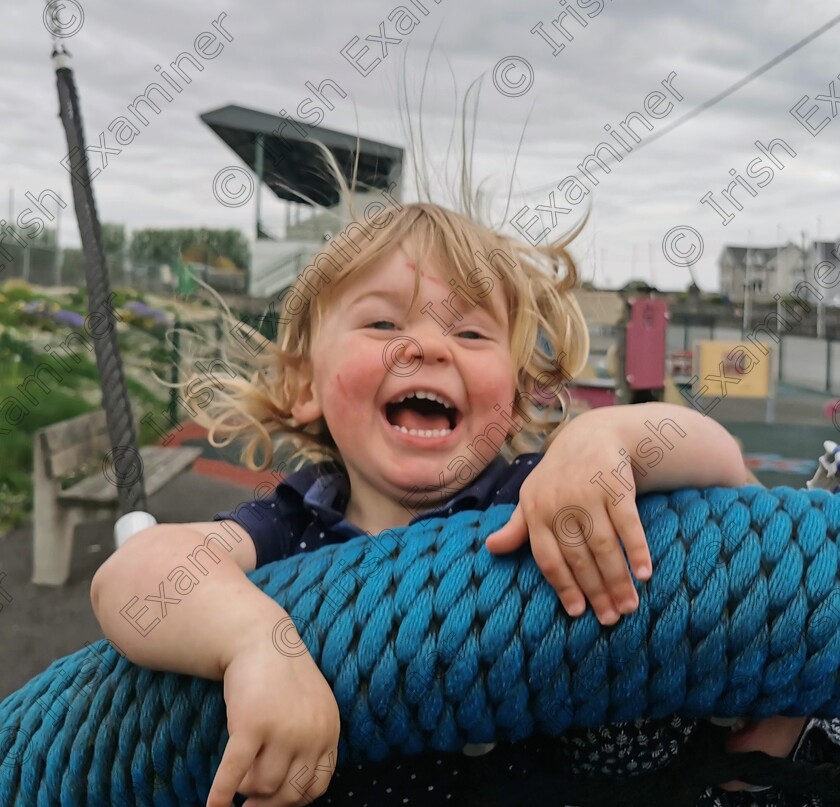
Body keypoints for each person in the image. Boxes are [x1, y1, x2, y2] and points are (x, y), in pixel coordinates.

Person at [90, 161, 835, 807]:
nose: (427, 345)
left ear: (516, 395)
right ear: (303, 385)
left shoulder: (536, 499)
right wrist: (256, 642)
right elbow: (134, 574)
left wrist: (607, 440)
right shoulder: (294, 529)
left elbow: (730, 480)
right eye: (382, 324)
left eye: (472, 334)